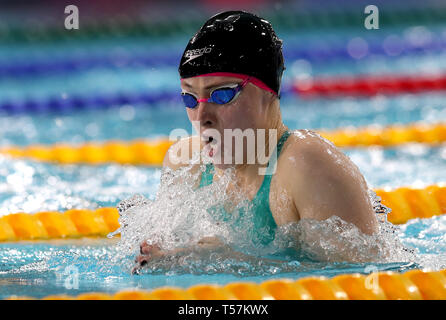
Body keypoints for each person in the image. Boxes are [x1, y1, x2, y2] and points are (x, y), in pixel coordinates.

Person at [134, 10, 379, 271]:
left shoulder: (308, 167)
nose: (202, 117)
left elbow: (361, 280)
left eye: (221, 95)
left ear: (269, 92)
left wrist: (227, 261)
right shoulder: (185, 165)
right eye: (189, 98)